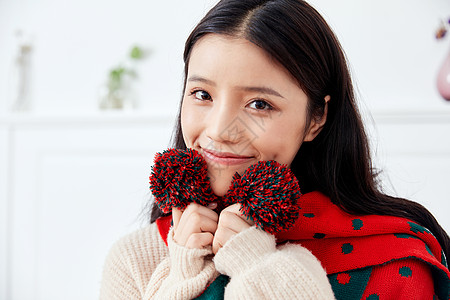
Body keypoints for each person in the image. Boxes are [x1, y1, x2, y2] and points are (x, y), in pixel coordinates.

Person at [99, 0, 450, 299]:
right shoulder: (135, 259)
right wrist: (181, 273)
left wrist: (259, 268)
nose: (220, 130)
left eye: (260, 104)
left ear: (316, 118)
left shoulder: (397, 262)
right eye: (202, 95)